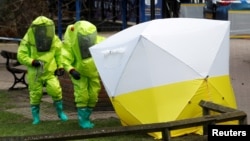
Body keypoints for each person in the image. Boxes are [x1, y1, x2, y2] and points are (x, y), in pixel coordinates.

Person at [17, 16, 68, 125]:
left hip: (50, 71)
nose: (42, 31)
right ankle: (36, 117)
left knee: (55, 90)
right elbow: (21, 55)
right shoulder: (28, 39)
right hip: (35, 73)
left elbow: (59, 54)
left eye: (44, 28)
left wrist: (60, 67)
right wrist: (31, 61)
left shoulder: (53, 39)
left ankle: (60, 112)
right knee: (35, 94)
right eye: (40, 29)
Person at [62, 20, 105, 129]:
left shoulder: (95, 40)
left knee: (94, 94)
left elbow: (106, 45)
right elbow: (65, 58)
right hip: (79, 73)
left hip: (93, 72)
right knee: (82, 95)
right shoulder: (71, 43)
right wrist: (71, 70)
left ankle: (86, 117)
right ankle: (83, 120)